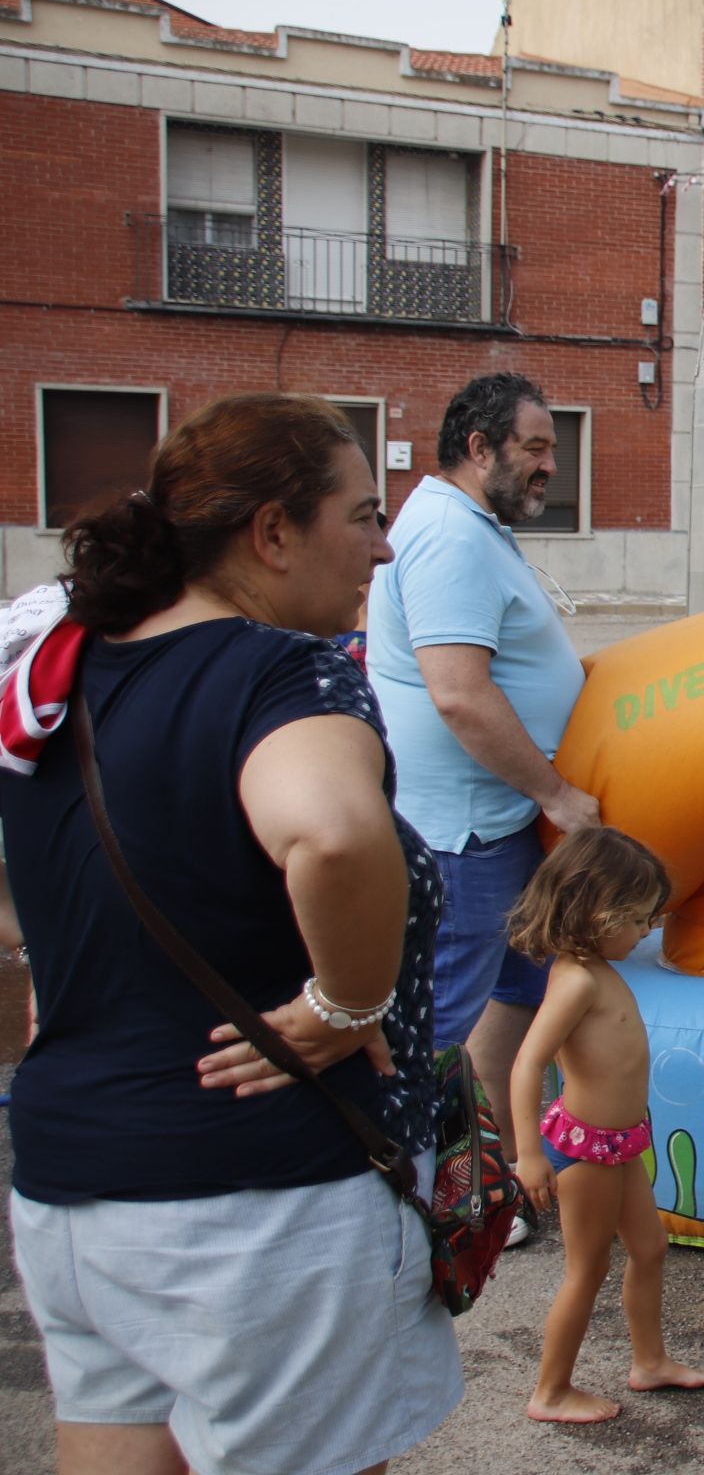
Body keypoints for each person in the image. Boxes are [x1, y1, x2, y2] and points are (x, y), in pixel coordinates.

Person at [2, 393, 458, 1475]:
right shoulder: (277, 673)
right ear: (271, 532)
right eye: (362, 516)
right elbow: (339, 834)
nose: (384, 548)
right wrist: (346, 1005)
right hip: (258, 1207)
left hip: (76, 1189)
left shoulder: (54, 680)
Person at [368, 372, 595, 1231]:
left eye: (551, 448)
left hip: (493, 823)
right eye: (535, 447)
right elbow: (458, 693)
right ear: (478, 447)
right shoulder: (448, 537)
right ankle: (417, 1199)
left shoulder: (472, 527)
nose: (550, 465)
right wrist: (557, 793)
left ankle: (483, 1173)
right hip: (461, 829)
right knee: (443, 1017)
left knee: (514, 994)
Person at [507, 827, 704, 1423]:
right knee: (588, 1269)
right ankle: (550, 1391)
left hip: (621, 1144)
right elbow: (527, 1064)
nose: (647, 931)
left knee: (649, 1248)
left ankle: (649, 1361)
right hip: (586, 1150)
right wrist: (528, 1155)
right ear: (599, 914)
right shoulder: (575, 980)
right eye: (639, 919)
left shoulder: (596, 968)